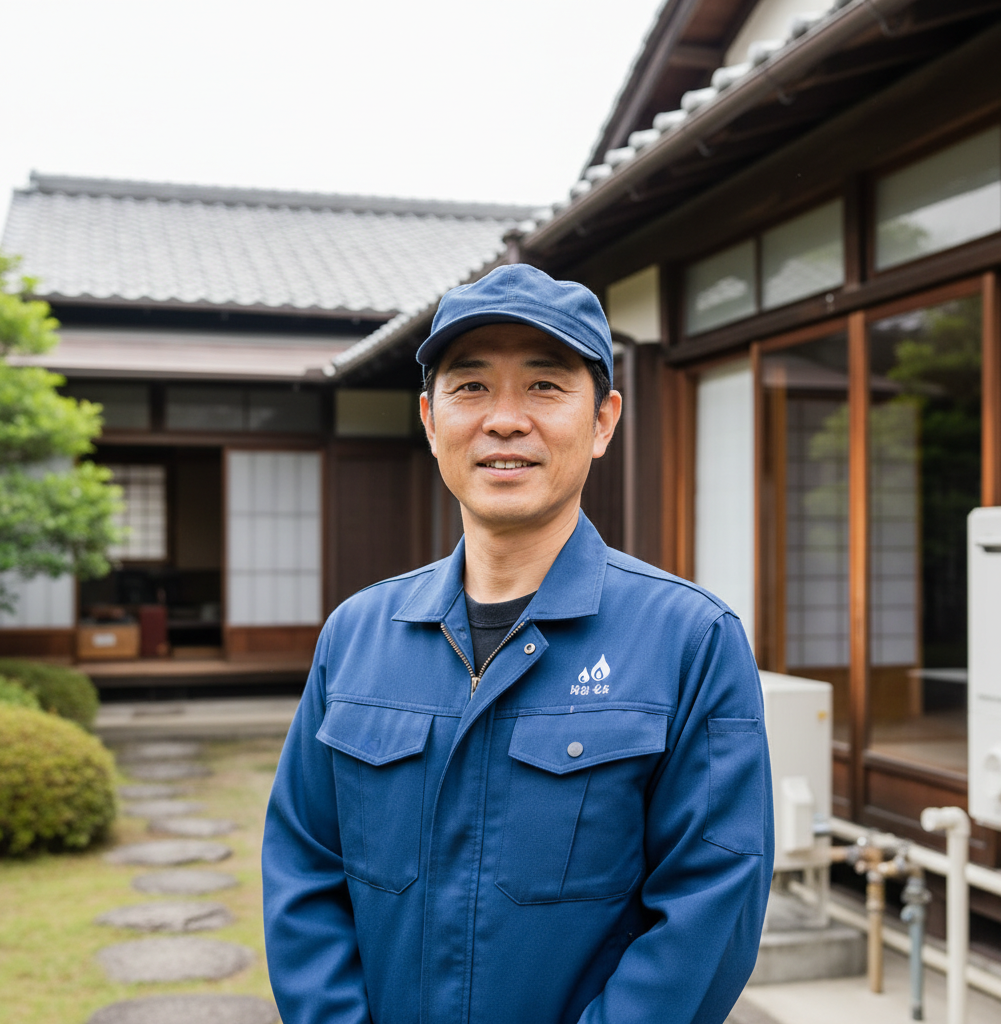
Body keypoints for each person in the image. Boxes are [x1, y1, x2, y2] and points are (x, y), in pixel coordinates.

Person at [262, 264, 773, 1024]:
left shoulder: (690, 639)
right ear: (430, 419)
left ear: (602, 421)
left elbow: (709, 905)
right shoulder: (358, 635)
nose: (504, 420)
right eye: (471, 387)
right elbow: (303, 870)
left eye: (544, 386)